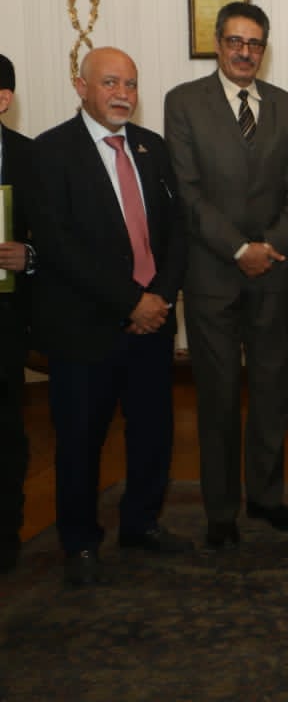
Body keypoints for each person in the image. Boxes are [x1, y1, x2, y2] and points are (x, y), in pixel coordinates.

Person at [29, 47, 190, 586]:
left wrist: (160, 297)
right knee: (80, 440)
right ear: (81, 87)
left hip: (152, 323)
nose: (123, 94)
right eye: (110, 82)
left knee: (153, 433)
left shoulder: (152, 147)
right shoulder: (50, 152)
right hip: (86, 329)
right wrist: (129, 302)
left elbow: (176, 231)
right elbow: (58, 246)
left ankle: (141, 523)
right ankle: (79, 542)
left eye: (131, 84)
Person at [164, 1, 288, 548]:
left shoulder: (285, 107)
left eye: (254, 44)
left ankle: (267, 498)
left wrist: (268, 246)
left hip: (273, 273)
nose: (245, 52)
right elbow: (188, 192)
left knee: (272, 393)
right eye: (235, 41)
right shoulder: (183, 102)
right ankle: (221, 511)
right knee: (219, 397)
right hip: (212, 276)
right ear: (218, 44)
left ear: (264, 50)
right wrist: (238, 248)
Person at [0, 53, 34, 575]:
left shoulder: (31, 158)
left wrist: (30, 256)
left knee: (5, 430)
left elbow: (56, 233)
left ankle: (5, 534)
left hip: (5, 317)